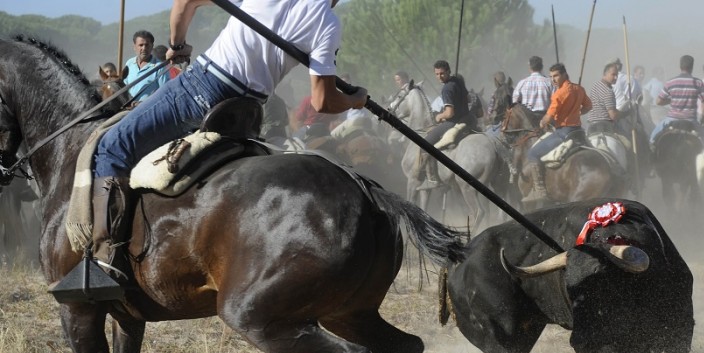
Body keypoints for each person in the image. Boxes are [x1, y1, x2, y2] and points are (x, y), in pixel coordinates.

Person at [88, 0, 367, 289]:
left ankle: (104, 260)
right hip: (244, 110)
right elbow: (324, 100)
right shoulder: (328, 23)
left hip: (200, 90)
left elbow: (185, 2)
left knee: (112, 145)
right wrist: (355, 99)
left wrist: (177, 43)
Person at [522, 63, 591, 204]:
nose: (553, 79)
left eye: (556, 76)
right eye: (551, 76)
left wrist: (542, 123)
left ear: (565, 74)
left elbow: (549, 116)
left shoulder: (558, 94)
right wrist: (578, 112)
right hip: (579, 132)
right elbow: (588, 106)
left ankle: (540, 191)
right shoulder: (579, 88)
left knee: (532, 154)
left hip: (564, 132)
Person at [417, 60, 476, 190]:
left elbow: (449, 113)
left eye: (442, 73)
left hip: (453, 122)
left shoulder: (447, 89)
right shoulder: (458, 80)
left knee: (424, 144)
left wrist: (439, 116)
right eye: (437, 74)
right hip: (467, 118)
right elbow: (468, 99)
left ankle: (432, 179)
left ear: (448, 71)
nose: (439, 77)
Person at [649, 55, 704, 147]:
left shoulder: (670, 82)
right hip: (691, 120)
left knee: (652, 139)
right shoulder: (698, 83)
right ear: (692, 67)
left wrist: (671, 100)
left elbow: (658, 102)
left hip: (671, 119)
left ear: (680, 66)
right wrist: (703, 120)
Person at [124, 30, 171, 102]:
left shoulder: (160, 68)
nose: (144, 48)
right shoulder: (129, 63)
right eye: (141, 45)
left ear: (152, 46)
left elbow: (165, 94)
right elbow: (124, 88)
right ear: (134, 47)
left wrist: (143, 104)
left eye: (147, 45)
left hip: (148, 111)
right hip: (128, 110)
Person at [586, 62, 625, 135]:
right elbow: (613, 116)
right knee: (627, 143)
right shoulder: (608, 91)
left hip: (591, 127)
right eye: (613, 74)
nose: (616, 77)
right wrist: (624, 114)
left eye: (617, 75)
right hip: (605, 126)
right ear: (605, 74)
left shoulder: (595, 85)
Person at [512, 55, 554, 124]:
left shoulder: (522, 83)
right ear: (542, 67)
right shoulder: (549, 83)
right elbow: (556, 102)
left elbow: (515, 104)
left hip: (528, 122)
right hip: (547, 120)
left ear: (530, 68)